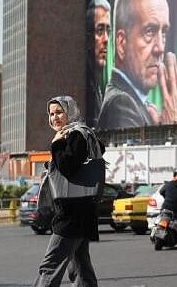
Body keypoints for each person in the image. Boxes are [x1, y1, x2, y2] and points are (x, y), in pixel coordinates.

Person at [97, 0, 177, 130]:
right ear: (121, 43)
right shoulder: (121, 105)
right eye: (149, 31)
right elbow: (140, 155)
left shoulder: (135, 103)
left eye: (163, 32)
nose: (160, 48)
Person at [33, 95, 105, 287]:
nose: (54, 118)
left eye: (59, 112)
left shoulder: (75, 135)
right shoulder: (84, 132)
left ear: (70, 112)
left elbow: (67, 166)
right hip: (82, 210)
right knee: (81, 266)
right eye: (51, 114)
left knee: (50, 265)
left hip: (72, 213)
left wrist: (56, 144)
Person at [86, 0, 111, 127]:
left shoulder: (98, 86)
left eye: (108, 30)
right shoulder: (84, 86)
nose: (106, 39)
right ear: (88, 38)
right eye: (100, 30)